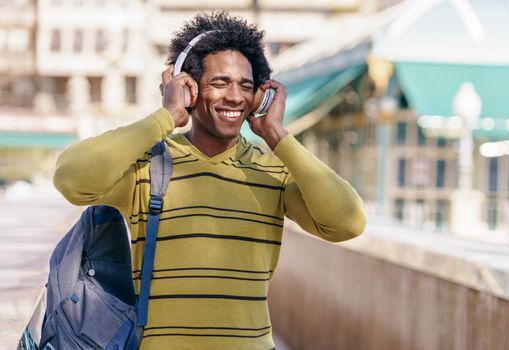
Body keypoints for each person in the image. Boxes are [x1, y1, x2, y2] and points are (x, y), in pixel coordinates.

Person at [53, 11, 366, 350]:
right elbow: (72, 178)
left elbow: (348, 222)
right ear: (187, 87)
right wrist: (167, 116)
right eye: (220, 83)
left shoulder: (274, 170)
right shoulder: (149, 164)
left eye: (246, 87)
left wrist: (277, 135)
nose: (234, 97)